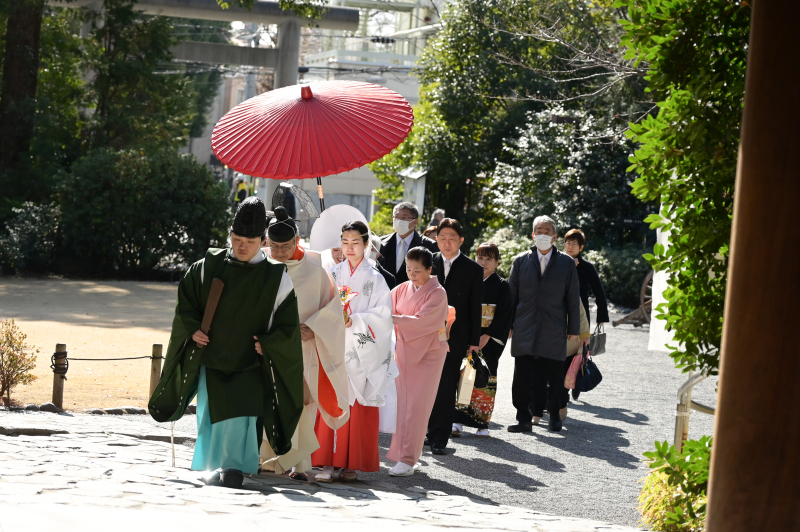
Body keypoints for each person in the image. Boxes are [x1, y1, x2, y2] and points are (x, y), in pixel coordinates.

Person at [149, 197, 304, 489]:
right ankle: (212, 464)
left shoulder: (277, 277)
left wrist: (269, 344)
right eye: (235, 239)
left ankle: (235, 467)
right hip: (212, 357)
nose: (241, 246)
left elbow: (287, 325)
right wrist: (193, 329)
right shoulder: (208, 266)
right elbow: (187, 304)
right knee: (211, 413)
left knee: (243, 417)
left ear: (262, 240)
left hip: (251, 361)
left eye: (248, 240)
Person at [259, 207, 350, 482]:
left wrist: (314, 326)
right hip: (270, 347)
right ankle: (267, 459)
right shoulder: (262, 265)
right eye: (273, 246)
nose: (278, 251)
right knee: (269, 400)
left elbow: (333, 309)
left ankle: (300, 464)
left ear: (297, 240)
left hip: (305, 349)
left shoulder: (316, 269)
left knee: (300, 403)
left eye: (285, 246)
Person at [312, 220, 394, 482]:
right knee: (330, 400)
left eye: (355, 242)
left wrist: (355, 320)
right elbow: (319, 304)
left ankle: (351, 463)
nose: (349, 247)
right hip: (334, 346)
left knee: (357, 405)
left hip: (361, 352)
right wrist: (334, 318)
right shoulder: (331, 273)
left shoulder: (376, 279)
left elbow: (383, 316)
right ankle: (326, 462)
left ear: (366, 244)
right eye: (344, 242)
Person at [508, 215, 581, 433]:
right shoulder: (520, 261)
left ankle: (555, 417)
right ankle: (523, 418)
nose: (542, 234)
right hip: (524, 325)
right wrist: (509, 324)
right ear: (532, 235)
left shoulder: (567, 263)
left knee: (555, 375)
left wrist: (573, 329)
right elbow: (512, 296)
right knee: (522, 376)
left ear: (555, 237)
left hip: (554, 326)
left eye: (547, 231)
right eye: (538, 230)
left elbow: (572, 297)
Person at [386, 246, 450, 476]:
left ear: (430, 270)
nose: (411, 274)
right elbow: (385, 307)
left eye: (417, 270)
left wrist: (391, 318)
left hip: (428, 354)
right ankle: (402, 454)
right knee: (401, 404)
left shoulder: (438, 293)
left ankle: (408, 458)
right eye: (408, 269)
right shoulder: (402, 288)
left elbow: (423, 322)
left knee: (417, 406)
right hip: (405, 350)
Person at [427, 218, 483, 455]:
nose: (446, 242)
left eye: (452, 238)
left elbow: (475, 307)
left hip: (456, 336)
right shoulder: (428, 261)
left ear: (461, 241)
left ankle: (440, 436)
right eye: (442, 237)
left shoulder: (473, 269)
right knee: (427, 383)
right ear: (436, 239)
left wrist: (473, 342)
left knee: (447, 385)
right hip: (427, 333)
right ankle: (427, 431)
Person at [452, 243, 513, 438]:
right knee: (464, 377)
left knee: (486, 379)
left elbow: (504, 315)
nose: (483, 262)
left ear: (497, 262)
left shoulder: (503, 286)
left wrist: (486, 336)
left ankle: (483, 423)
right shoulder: (469, 280)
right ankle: (459, 420)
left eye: (488, 259)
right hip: (468, 335)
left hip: (490, 338)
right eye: (480, 257)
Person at [563, 229, 609, 401]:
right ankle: (561, 388)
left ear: (581, 247)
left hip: (581, 314)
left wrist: (602, 317)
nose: (570, 246)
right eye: (567, 242)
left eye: (574, 243)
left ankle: (577, 381)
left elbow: (599, 292)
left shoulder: (587, 267)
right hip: (559, 313)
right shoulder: (557, 263)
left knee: (580, 351)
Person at [378, 202, 439, 285]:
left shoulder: (429, 246)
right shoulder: (380, 243)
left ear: (415, 222)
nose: (399, 221)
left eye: (404, 217)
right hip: (384, 294)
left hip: (415, 295)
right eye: (396, 216)